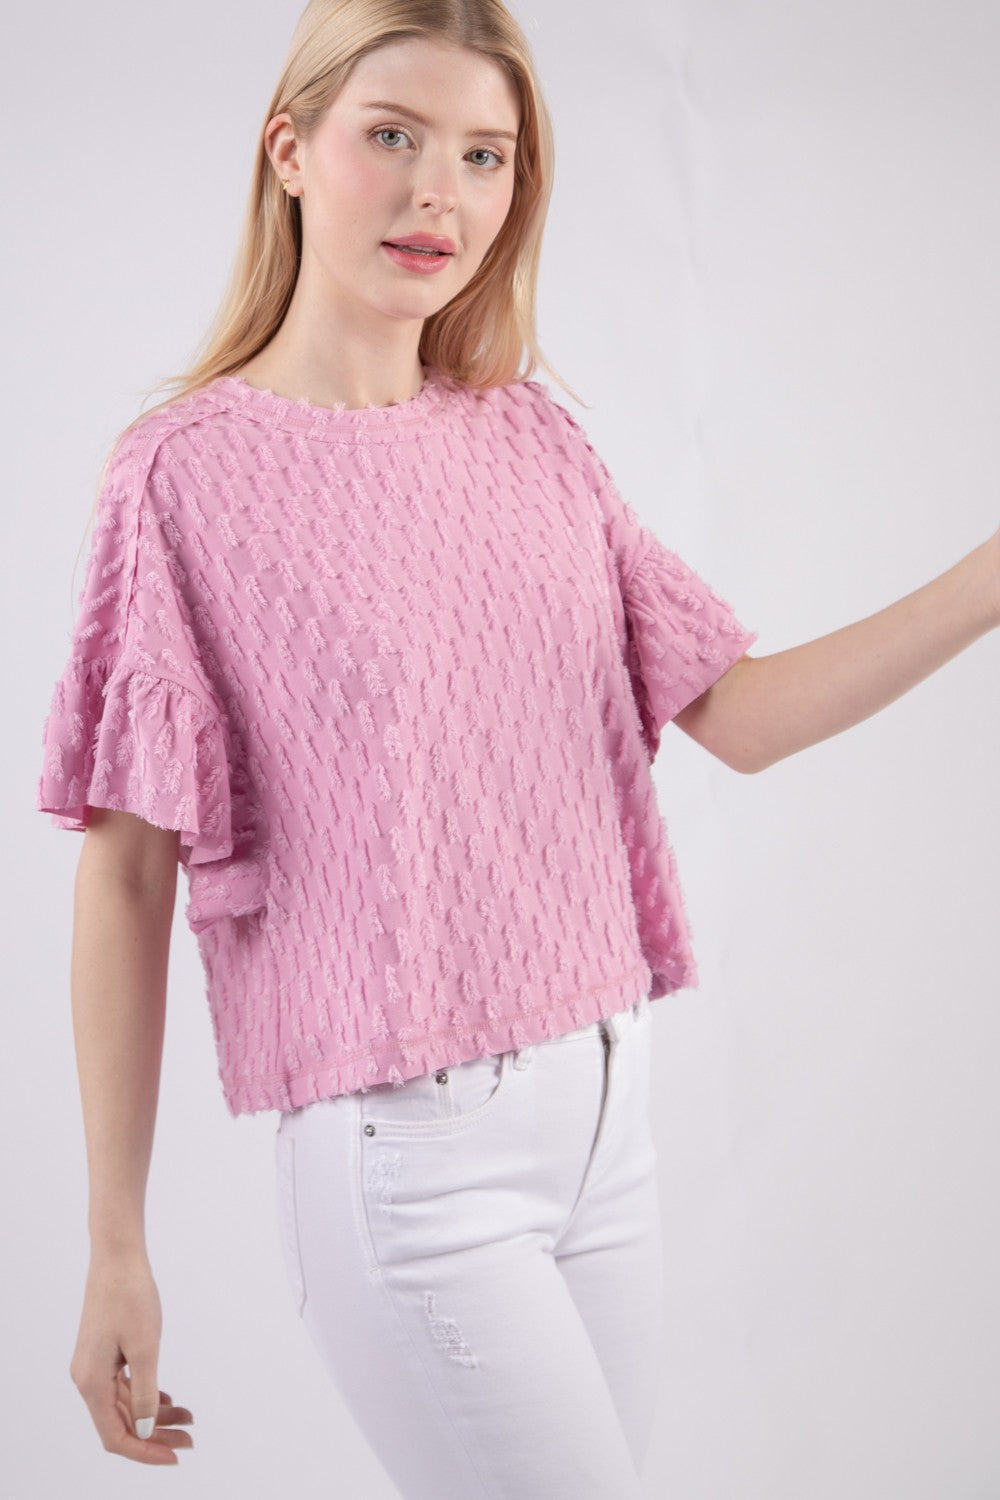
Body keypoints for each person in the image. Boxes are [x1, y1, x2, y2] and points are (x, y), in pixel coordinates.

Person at [35, 1, 999, 1495]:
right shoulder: (185, 476)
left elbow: (734, 713)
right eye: (394, 139)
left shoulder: (529, 439)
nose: (441, 195)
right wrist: (115, 1245)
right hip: (409, 1161)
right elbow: (125, 877)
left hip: (609, 1128)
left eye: (486, 155)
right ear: (290, 152)